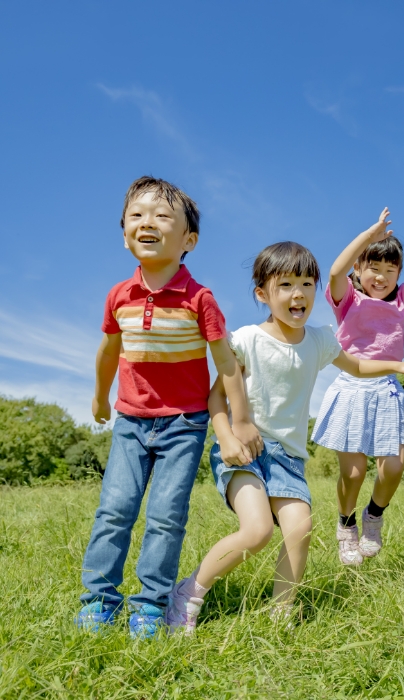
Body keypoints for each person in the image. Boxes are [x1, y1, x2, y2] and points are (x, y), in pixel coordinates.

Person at [166, 242, 404, 634]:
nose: (298, 293)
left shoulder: (319, 340)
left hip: (287, 458)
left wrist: (395, 364)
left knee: (300, 529)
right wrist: (229, 435)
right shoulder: (248, 339)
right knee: (257, 531)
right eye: (285, 284)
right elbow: (216, 396)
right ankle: (188, 592)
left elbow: (355, 364)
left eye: (306, 283)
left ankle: (281, 611)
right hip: (245, 449)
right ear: (262, 294)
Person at [76, 176, 256, 638]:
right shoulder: (119, 296)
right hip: (131, 421)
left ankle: (151, 605)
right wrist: (99, 395)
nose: (147, 222)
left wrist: (239, 421)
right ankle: (99, 599)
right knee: (114, 509)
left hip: (184, 425)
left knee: (165, 515)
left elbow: (227, 364)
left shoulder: (200, 300)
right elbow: (109, 352)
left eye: (161, 216)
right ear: (124, 234)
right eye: (136, 215)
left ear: (188, 240)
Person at [312, 204, 404, 565]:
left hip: (387, 390)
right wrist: (369, 236)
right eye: (373, 268)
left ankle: (373, 515)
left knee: (392, 467)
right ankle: (345, 525)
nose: (380, 276)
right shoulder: (347, 299)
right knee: (354, 471)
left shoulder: (403, 300)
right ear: (359, 270)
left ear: (398, 274)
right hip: (351, 386)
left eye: (389, 270)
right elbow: (333, 271)